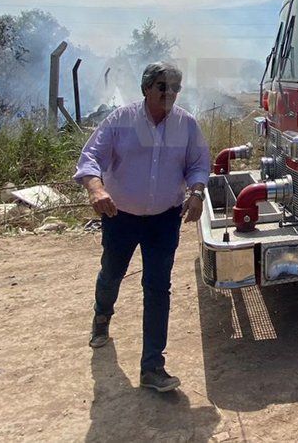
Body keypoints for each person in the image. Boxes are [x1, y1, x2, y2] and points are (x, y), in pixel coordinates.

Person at [74, 62, 210, 392]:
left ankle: (152, 366)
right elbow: (90, 158)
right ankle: (102, 315)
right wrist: (96, 188)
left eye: (176, 88)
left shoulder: (186, 125)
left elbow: (198, 164)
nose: (170, 93)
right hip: (121, 216)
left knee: (157, 286)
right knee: (112, 272)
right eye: (163, 86)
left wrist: (197, 191)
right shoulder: (121, 121)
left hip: (165, 219)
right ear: (146, 87)